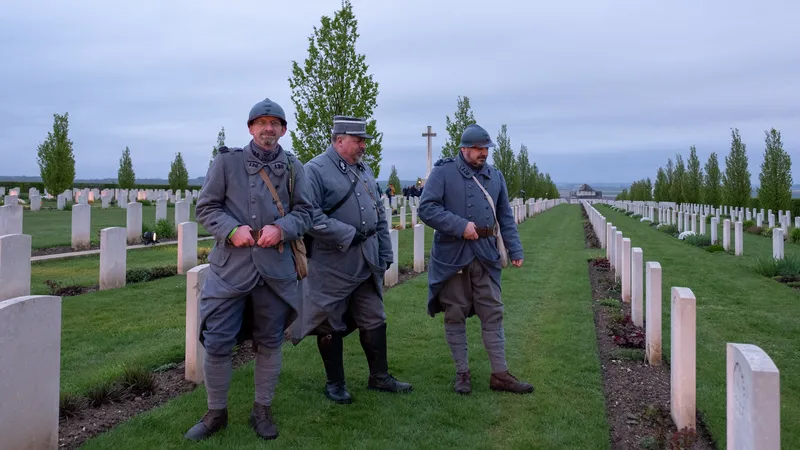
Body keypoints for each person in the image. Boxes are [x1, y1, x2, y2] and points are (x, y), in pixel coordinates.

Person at [186, 98, 314, 441]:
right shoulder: (227, 162)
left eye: (275, 123)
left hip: (275, 271)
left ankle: (262, 410)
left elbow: (305, 212)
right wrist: (230, 230)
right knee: (216, 341)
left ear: (283, 130)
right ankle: (215, 413)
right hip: (231, 269)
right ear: (250, 128)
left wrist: (282, 229)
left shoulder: (293, 166)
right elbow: (207, 207)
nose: (268, 128)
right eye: (261, 122)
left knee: (270, 342)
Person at [292, 115, 412, 404]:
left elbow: (378, 213)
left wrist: (385, 252)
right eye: (359, 141)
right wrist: (346, 233)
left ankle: (379, 377)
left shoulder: (364, 168)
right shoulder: (315, 170)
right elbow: (309, 216)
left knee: (374, 317)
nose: (363, 146)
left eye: (364, 141)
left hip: (366, 259)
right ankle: (335, 383)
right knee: (329, 321)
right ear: (339, 140)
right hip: (331, 262)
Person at [418, 123, 534, 396]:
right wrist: (459, 226)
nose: (484, 153)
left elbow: (505, 216)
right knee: (455, 314)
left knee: (493, 312)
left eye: (486, 149)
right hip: (453, 256)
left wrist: (515, 250)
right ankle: (462, 373)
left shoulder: (495, 177)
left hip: (486, 254)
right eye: (479, 149)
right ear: (464, 149)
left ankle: (500, 374)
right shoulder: (443, 172)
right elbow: (427, 208)